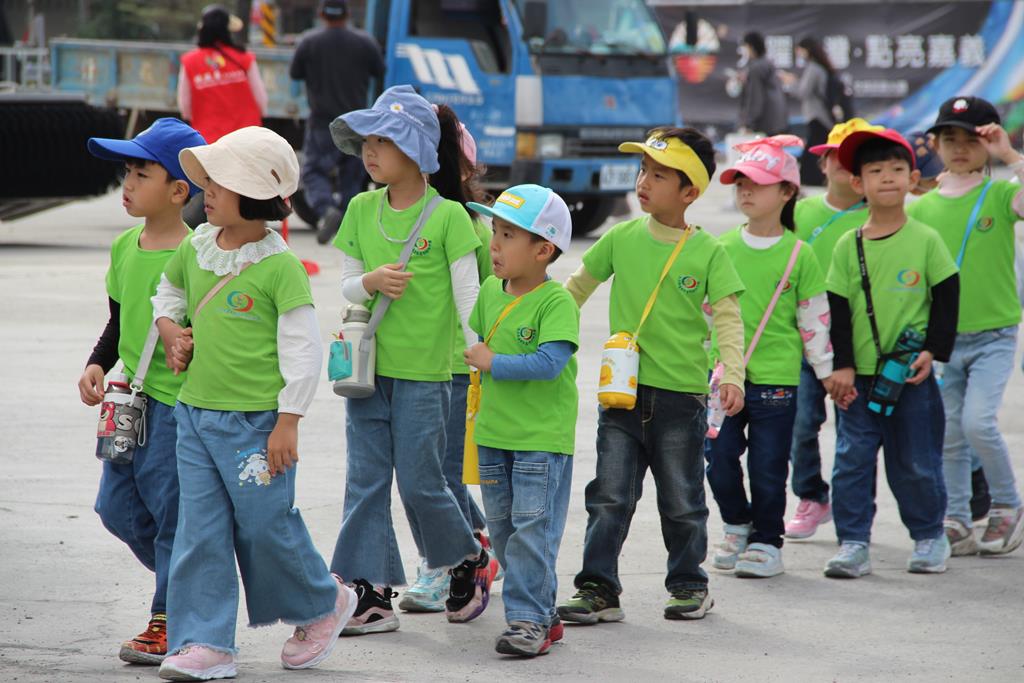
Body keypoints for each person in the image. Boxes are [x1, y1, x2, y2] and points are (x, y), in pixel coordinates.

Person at [151, 127, 357, 680]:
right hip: (194, 417)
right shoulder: (196, 247)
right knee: (199, 531)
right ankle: (205, 642)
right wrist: (171, 330)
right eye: (209, 181)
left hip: (258, 426)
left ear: (255, 195)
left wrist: (288, 421)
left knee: (265, 526)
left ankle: (324, 602)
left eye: (220, 182)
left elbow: (303, 350)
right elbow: (168, 295)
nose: (208, 192)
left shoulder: (279, 266)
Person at [558, 128, 746, 623]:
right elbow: (574, 290)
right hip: (621, 394)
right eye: (643, 171)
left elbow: (728, 318)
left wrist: (733, 374)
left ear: (690, 192)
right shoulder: (620, 237)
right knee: (608, 496)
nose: (644, 182)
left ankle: (689, 585)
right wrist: (541, 336)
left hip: (682, 398)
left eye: (659, 176)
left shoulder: (709, 252)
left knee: (682, 500)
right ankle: (598, 589)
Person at [327, 85, 497, 634]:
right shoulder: (360, 208)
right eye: (367, 140)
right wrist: (370, 282)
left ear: (418, 150)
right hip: (366, 370)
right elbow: (347, 284)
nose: (370, 151)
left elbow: (469, 294)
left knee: (422, 482)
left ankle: (467, 556)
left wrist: (479, 354)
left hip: (427, 373)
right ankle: (370, 593)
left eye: (384, 141)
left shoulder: (448, 217)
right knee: (365, 481)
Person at [77, 118, 205, 667]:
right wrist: (96, 362)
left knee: (172, 515)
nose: (127, 184)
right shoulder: (125, 245)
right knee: (115, 508)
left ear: (178, 191)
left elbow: (206, 331)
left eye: (141, 174)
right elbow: (119, 318)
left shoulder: (198, 253)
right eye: (126, 172)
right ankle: (197, 576)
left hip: (176, 407)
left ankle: (168, 615)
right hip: (128, 401)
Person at [823, 128, 959, 578]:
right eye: (875, 170)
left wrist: (933, 351)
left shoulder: (926, 239)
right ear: (857, 183)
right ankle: (853, 544)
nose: (887, 178)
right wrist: (842, 366)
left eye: (897, 169)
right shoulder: (848, 245)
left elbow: (946, 297)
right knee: (852, 462)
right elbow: (837, 311)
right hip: (857, 381)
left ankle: (929, 536)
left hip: (911, 378)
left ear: (913, 179)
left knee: (917, 461)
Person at [707, 136, 833, 579]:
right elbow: (705, 315)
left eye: (757, 183)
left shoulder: (800, 254)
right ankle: (736, 524)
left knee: (768, 466)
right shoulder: (720, 247)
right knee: (718, 459)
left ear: (786, 192)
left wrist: (826, 372)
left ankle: (766, 541)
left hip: (777, 378)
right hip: (722, 377)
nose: (745, 190)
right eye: (740, 181)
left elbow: (814, 319)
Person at [463, 184, 579, 657]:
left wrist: (493, 362)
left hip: (540, 440)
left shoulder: (556, 302)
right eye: (494, 231)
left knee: (532, 532)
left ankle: (527, 621)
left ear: (543, 249)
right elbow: (476, 343)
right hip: (494, 435)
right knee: (506, 534)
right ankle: (543, 613)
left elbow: (549, 363)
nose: (494, 244)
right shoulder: (491, 292)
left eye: (508, 235)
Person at [906, 96, 1024, 556]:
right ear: (934, 144)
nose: (959, 148)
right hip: (943, 341)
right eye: (949, 138)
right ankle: (955, 517)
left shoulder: (999, 194)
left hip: (995, 334)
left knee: (977, 422)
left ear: (988, 142)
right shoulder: (922, 208)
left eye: (972, 139)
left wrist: (1009, 155)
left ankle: (1007, 505)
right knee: (951, 432)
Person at [398, 112, 497, 614]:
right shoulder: (395, 215)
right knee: (430, 474)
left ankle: (448, 562)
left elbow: (488, 297)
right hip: (414, 364)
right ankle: (472, 545)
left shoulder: (471, 225)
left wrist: (485, 359)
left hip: (457, 369)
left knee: (435, 475)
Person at [785, 117, 877, 540]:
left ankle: (853, 513)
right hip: (802, 343)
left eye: (854, 157)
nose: (843, 163)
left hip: (858, 344)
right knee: (800, 424)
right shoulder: (799, 212)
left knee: (855, 434)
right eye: (836, 155)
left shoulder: (879, 215)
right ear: (822, 164)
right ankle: (811, 495)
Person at [290, 0, 385, 244]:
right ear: (348, 14)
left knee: (313, 171)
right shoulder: (365, 42)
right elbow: (379, 70)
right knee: (352, 175)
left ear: (322, 14)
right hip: (356, 122)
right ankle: (347, 222)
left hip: (322, 121)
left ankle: (326, 210)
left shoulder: (309, 42)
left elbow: (295, 73)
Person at [177, 5, 266, 144]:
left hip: (209, 141)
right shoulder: (244, 58)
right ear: (227, 29)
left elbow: (185, 107)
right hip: (246, 139)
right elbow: (261, 100)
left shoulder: (190, 61)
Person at [780, 37, 836, 186]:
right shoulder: (818, 67)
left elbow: (803, 92)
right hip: (818, 115)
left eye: (800, 50)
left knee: (814, 148)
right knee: (816, 147)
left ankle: (811, 177)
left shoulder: (813, 68)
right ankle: (814, 177)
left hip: (817, 115)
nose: (798, 53)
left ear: (806, 50)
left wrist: (791, 82)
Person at [737, 31, 788, 136]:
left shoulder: (756, 68)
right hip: (778, 120)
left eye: (745, 47)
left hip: (766, 122)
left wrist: (748, 124)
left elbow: (755, 97)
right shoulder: (768, 62)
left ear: (751, 47)